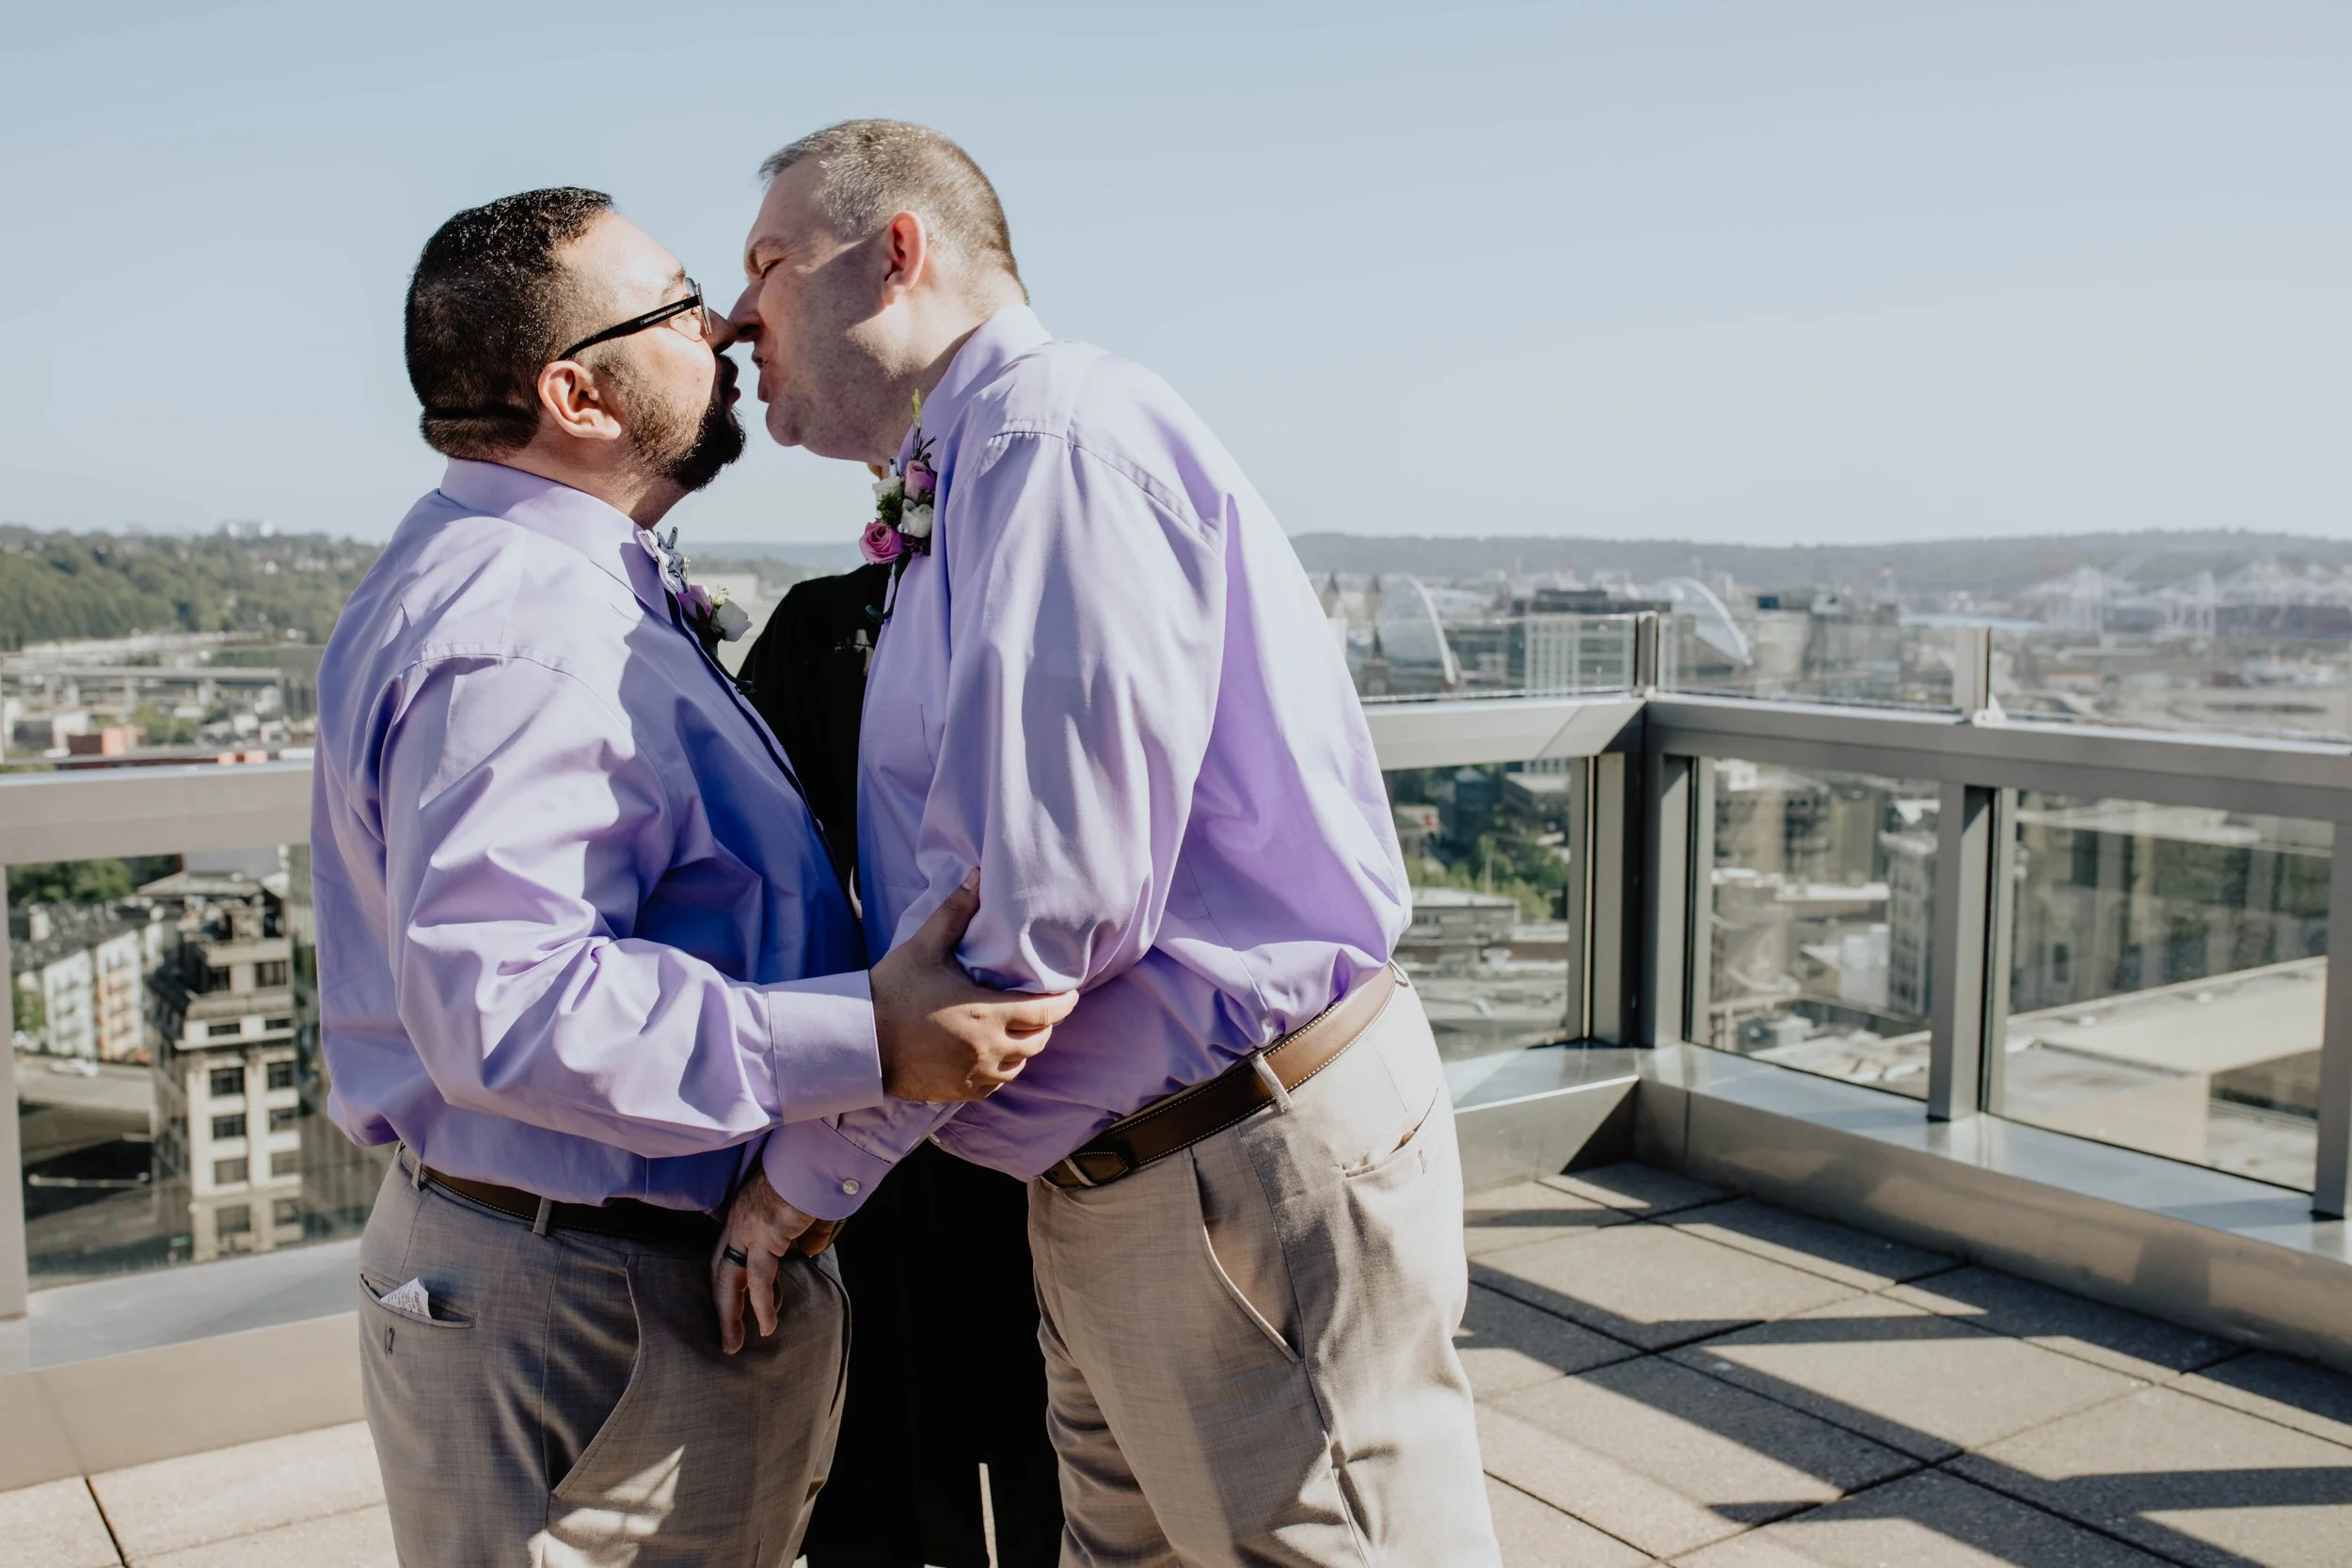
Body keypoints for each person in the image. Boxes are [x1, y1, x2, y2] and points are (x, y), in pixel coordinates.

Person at [716, 123, 1502, 1566]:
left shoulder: (1049, 446)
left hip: (1229, 1163)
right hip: (1115, 1172)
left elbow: (1040, 912)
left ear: (900, 251)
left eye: (767, 263)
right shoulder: (981, 472)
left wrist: (803, 1178)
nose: (731, 316)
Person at [311, 186, 1073, 1567]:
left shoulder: (530, 580)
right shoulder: (518, 636)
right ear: (578, 394)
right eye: (672, 305)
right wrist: (872, 1040)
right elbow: (510, 1006)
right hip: (583, 1306)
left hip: (586, 1275)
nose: (722, 325)